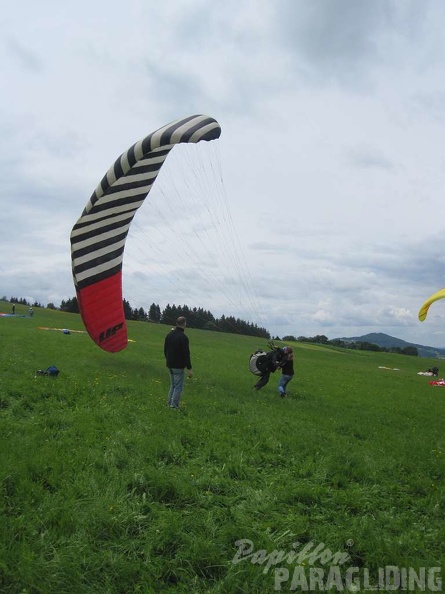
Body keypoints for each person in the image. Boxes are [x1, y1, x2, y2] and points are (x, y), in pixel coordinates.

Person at [164, 316, 193, 409]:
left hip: (170, 364)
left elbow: (165, 350)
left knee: (173, 385)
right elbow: (186, 354)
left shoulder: (169, 335)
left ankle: (169, 403)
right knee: (178, 387)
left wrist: (168, 359)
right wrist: (189, 368)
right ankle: (174, 406)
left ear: (176, 323)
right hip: (178, 366)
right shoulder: (183, 338)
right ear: (185, 324)